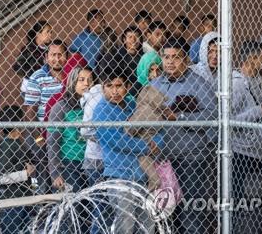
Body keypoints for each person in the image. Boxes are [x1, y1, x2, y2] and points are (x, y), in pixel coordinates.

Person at [150, 37, 218, 234]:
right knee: (164, 212)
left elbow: (212, 116)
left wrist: (179, 116)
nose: (170, 62)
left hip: (191, 159)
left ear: (186, 60)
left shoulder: (198, 84)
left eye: (176, 57)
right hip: (162, 160)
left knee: (190, 214)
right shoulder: (155, 85)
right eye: (166, 57)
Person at [94, 66, 163, 234]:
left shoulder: (134, 104)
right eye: (109, 86)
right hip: (119, 174)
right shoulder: (101, 110)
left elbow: (157, 128)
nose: (115, 91)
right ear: (103, 87)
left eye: (119, 86)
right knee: (126, 220)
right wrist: (146, 146)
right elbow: (115, 141)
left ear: (127, 87)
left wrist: (156, 143)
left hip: (142, 174)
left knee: (147, 220)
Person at [230, 40, 262, 234]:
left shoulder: (258, 81)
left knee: (257, 201)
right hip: (241, 152)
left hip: (259, 151)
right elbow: (228, 119)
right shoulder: (236, 84)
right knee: (241, 202)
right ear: (252, 58)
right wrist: (258, 111)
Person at [47, 66, 94, 232]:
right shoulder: (61, 107)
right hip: (69, 164)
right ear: (73, 82)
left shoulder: (94, 105)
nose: (86, 84)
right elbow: (52, 142)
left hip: (91, 164)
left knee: (90, 209)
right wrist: (55, 172)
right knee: (73, 209)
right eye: (81, 80)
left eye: (90, 80)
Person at [23, 39, 67, 193]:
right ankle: (41, 203)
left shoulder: (71, 76)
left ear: (66, 56)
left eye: (60, 54)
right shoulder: (38, 77)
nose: (57, 59)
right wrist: (39, 138)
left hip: (65, 133)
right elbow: (30, 112)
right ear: (46, 58)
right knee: (42, 174)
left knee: (62, 173)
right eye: (53, 55)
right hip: (41, 133)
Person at [0, 105, 36, 234]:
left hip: (25, 198)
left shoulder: (19, 144)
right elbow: (3, 178)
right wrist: (26, 173)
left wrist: (34, 190)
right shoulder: (7, 145)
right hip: (12, 200)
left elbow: (33, 176)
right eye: (21, 119)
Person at [13, 20, 53, 96]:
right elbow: (17, 67)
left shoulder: (50, 49)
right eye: (47, 32)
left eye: (51, 32)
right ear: (38, 34)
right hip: (30, 88)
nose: (50, 35)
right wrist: (34, 75)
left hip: (45, 87)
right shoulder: (29, 49)